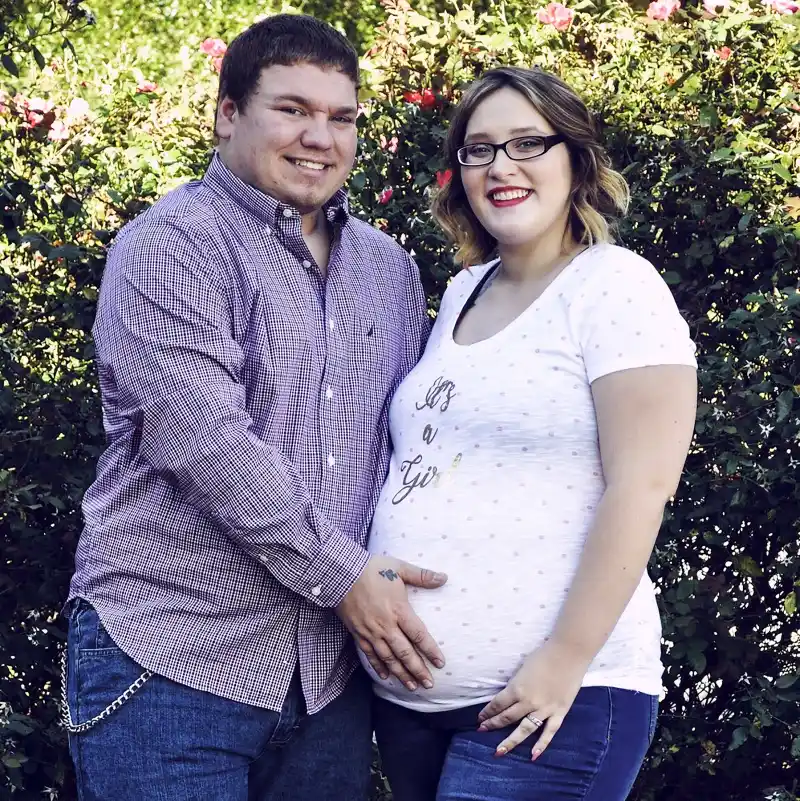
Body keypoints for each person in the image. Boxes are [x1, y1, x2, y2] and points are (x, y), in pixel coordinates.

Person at [63, 14, 450, 801]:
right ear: (227, 113)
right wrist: (350, 579)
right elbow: (206, 441)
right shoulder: (171, 246)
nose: (321, 137)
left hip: (330, 682)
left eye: (341, 118)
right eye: (293, 110)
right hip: (171, 656)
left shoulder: (388, 269)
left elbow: (420, 445)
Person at [363, 66, 698, 801]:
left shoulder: (615, 286)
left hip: (553, 701)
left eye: (526, 143)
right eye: (478, 150)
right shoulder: (460, 293)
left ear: (575, 159)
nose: (501, 167)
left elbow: (643, 485)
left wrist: (565, 655)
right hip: (413, 711)